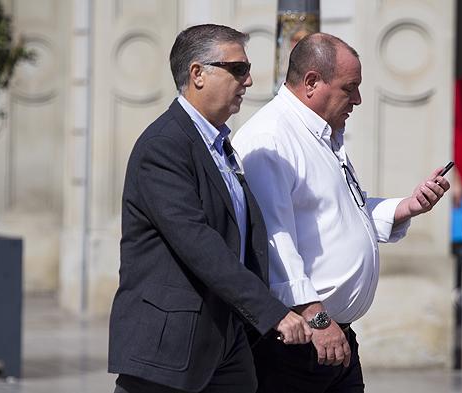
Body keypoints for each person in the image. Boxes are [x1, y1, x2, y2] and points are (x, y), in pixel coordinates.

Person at [233, 32, 451, 393]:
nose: (359, 99)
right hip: (297, 339)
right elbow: (274, 242)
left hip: (332, 337)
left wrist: (406, 206)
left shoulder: (322, 132)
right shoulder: (272, 138)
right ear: (312, 83)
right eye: (350, 88)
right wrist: (316, 317)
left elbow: (343, 207)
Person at [108, 24, 312, 393]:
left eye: (247, 70)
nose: (248, 81)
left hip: (225, 341)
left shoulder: (219, 145)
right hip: (167, 351)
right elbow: (199, 244)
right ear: (197, 74)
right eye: (237, 69)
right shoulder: (163, 146)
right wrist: (271, 312)